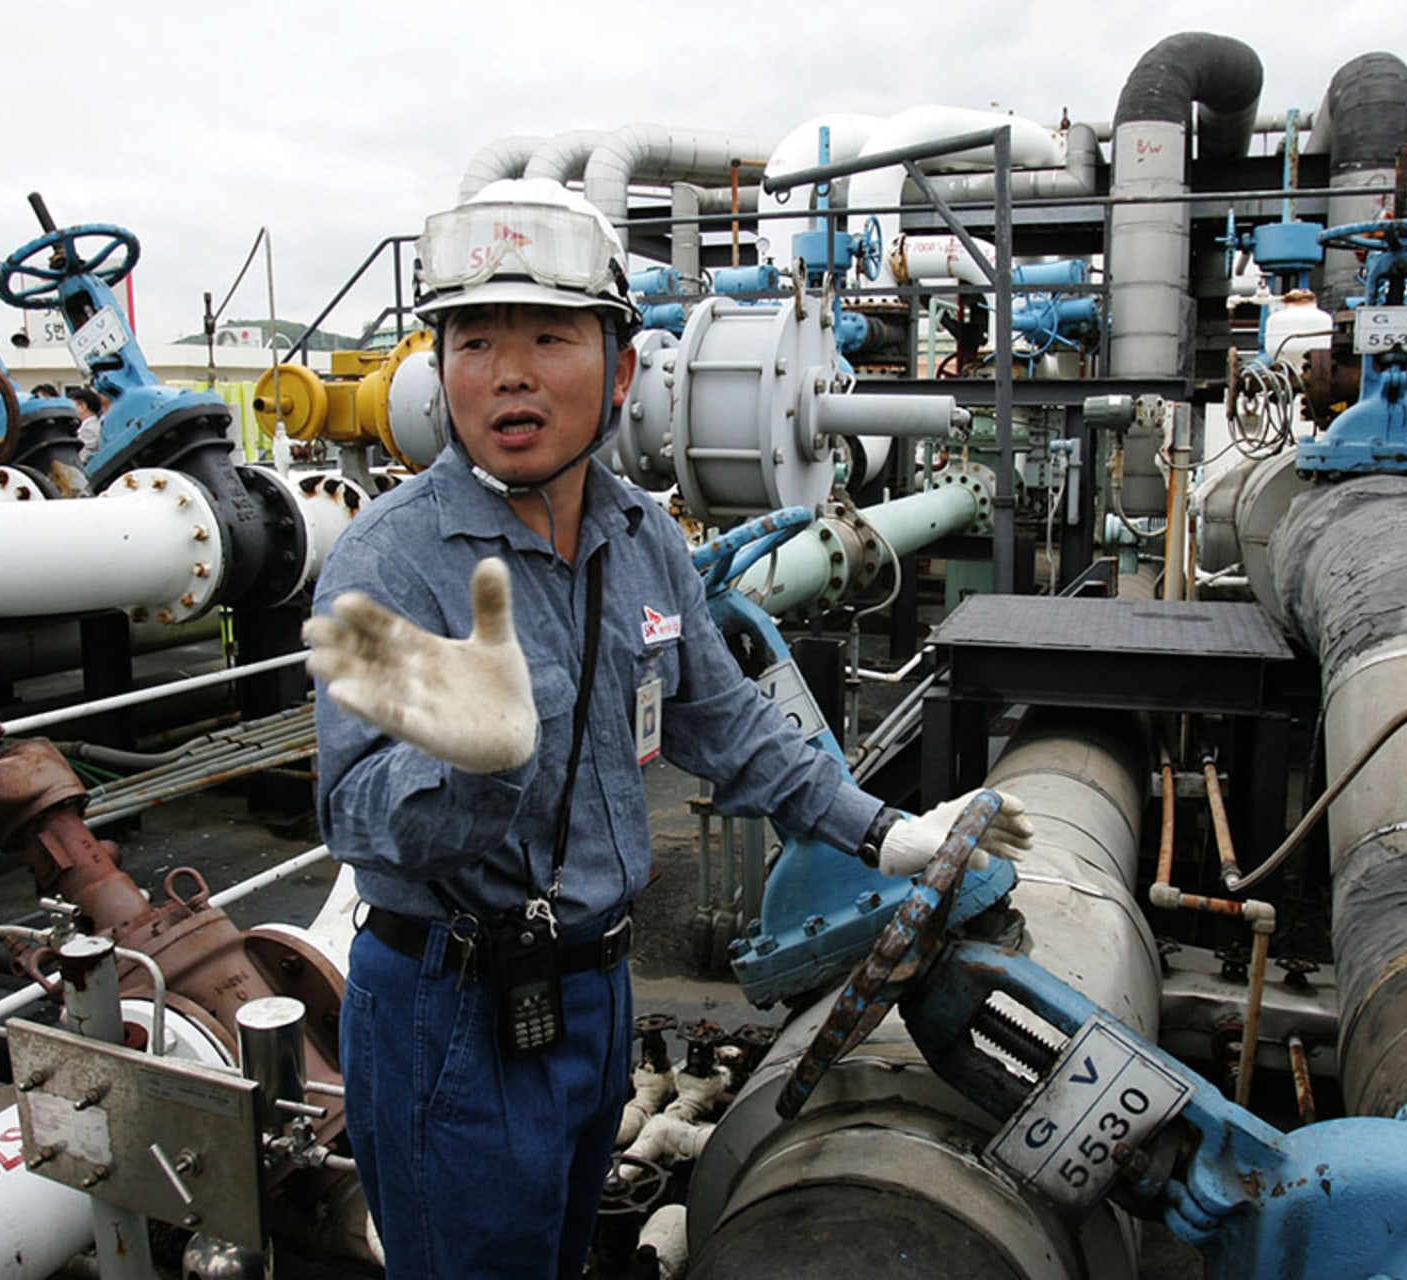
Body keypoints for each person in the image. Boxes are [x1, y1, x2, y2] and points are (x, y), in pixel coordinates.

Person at [303, 178, 1033, 1279]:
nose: (508, 372)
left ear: (621, 368)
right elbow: (352, 813)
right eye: (474, 339)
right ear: (438, 364)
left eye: (549, 336)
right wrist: (474, 765)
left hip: (593, 988)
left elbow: (723, 718)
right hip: (450, 1009)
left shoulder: (642, 536)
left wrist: (884, 832)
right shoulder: (388, 559)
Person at [68, 387, 105, 463]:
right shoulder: (96, 424)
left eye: (70, 407)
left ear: (82, 407)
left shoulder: (88, 430)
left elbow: (81, 459)